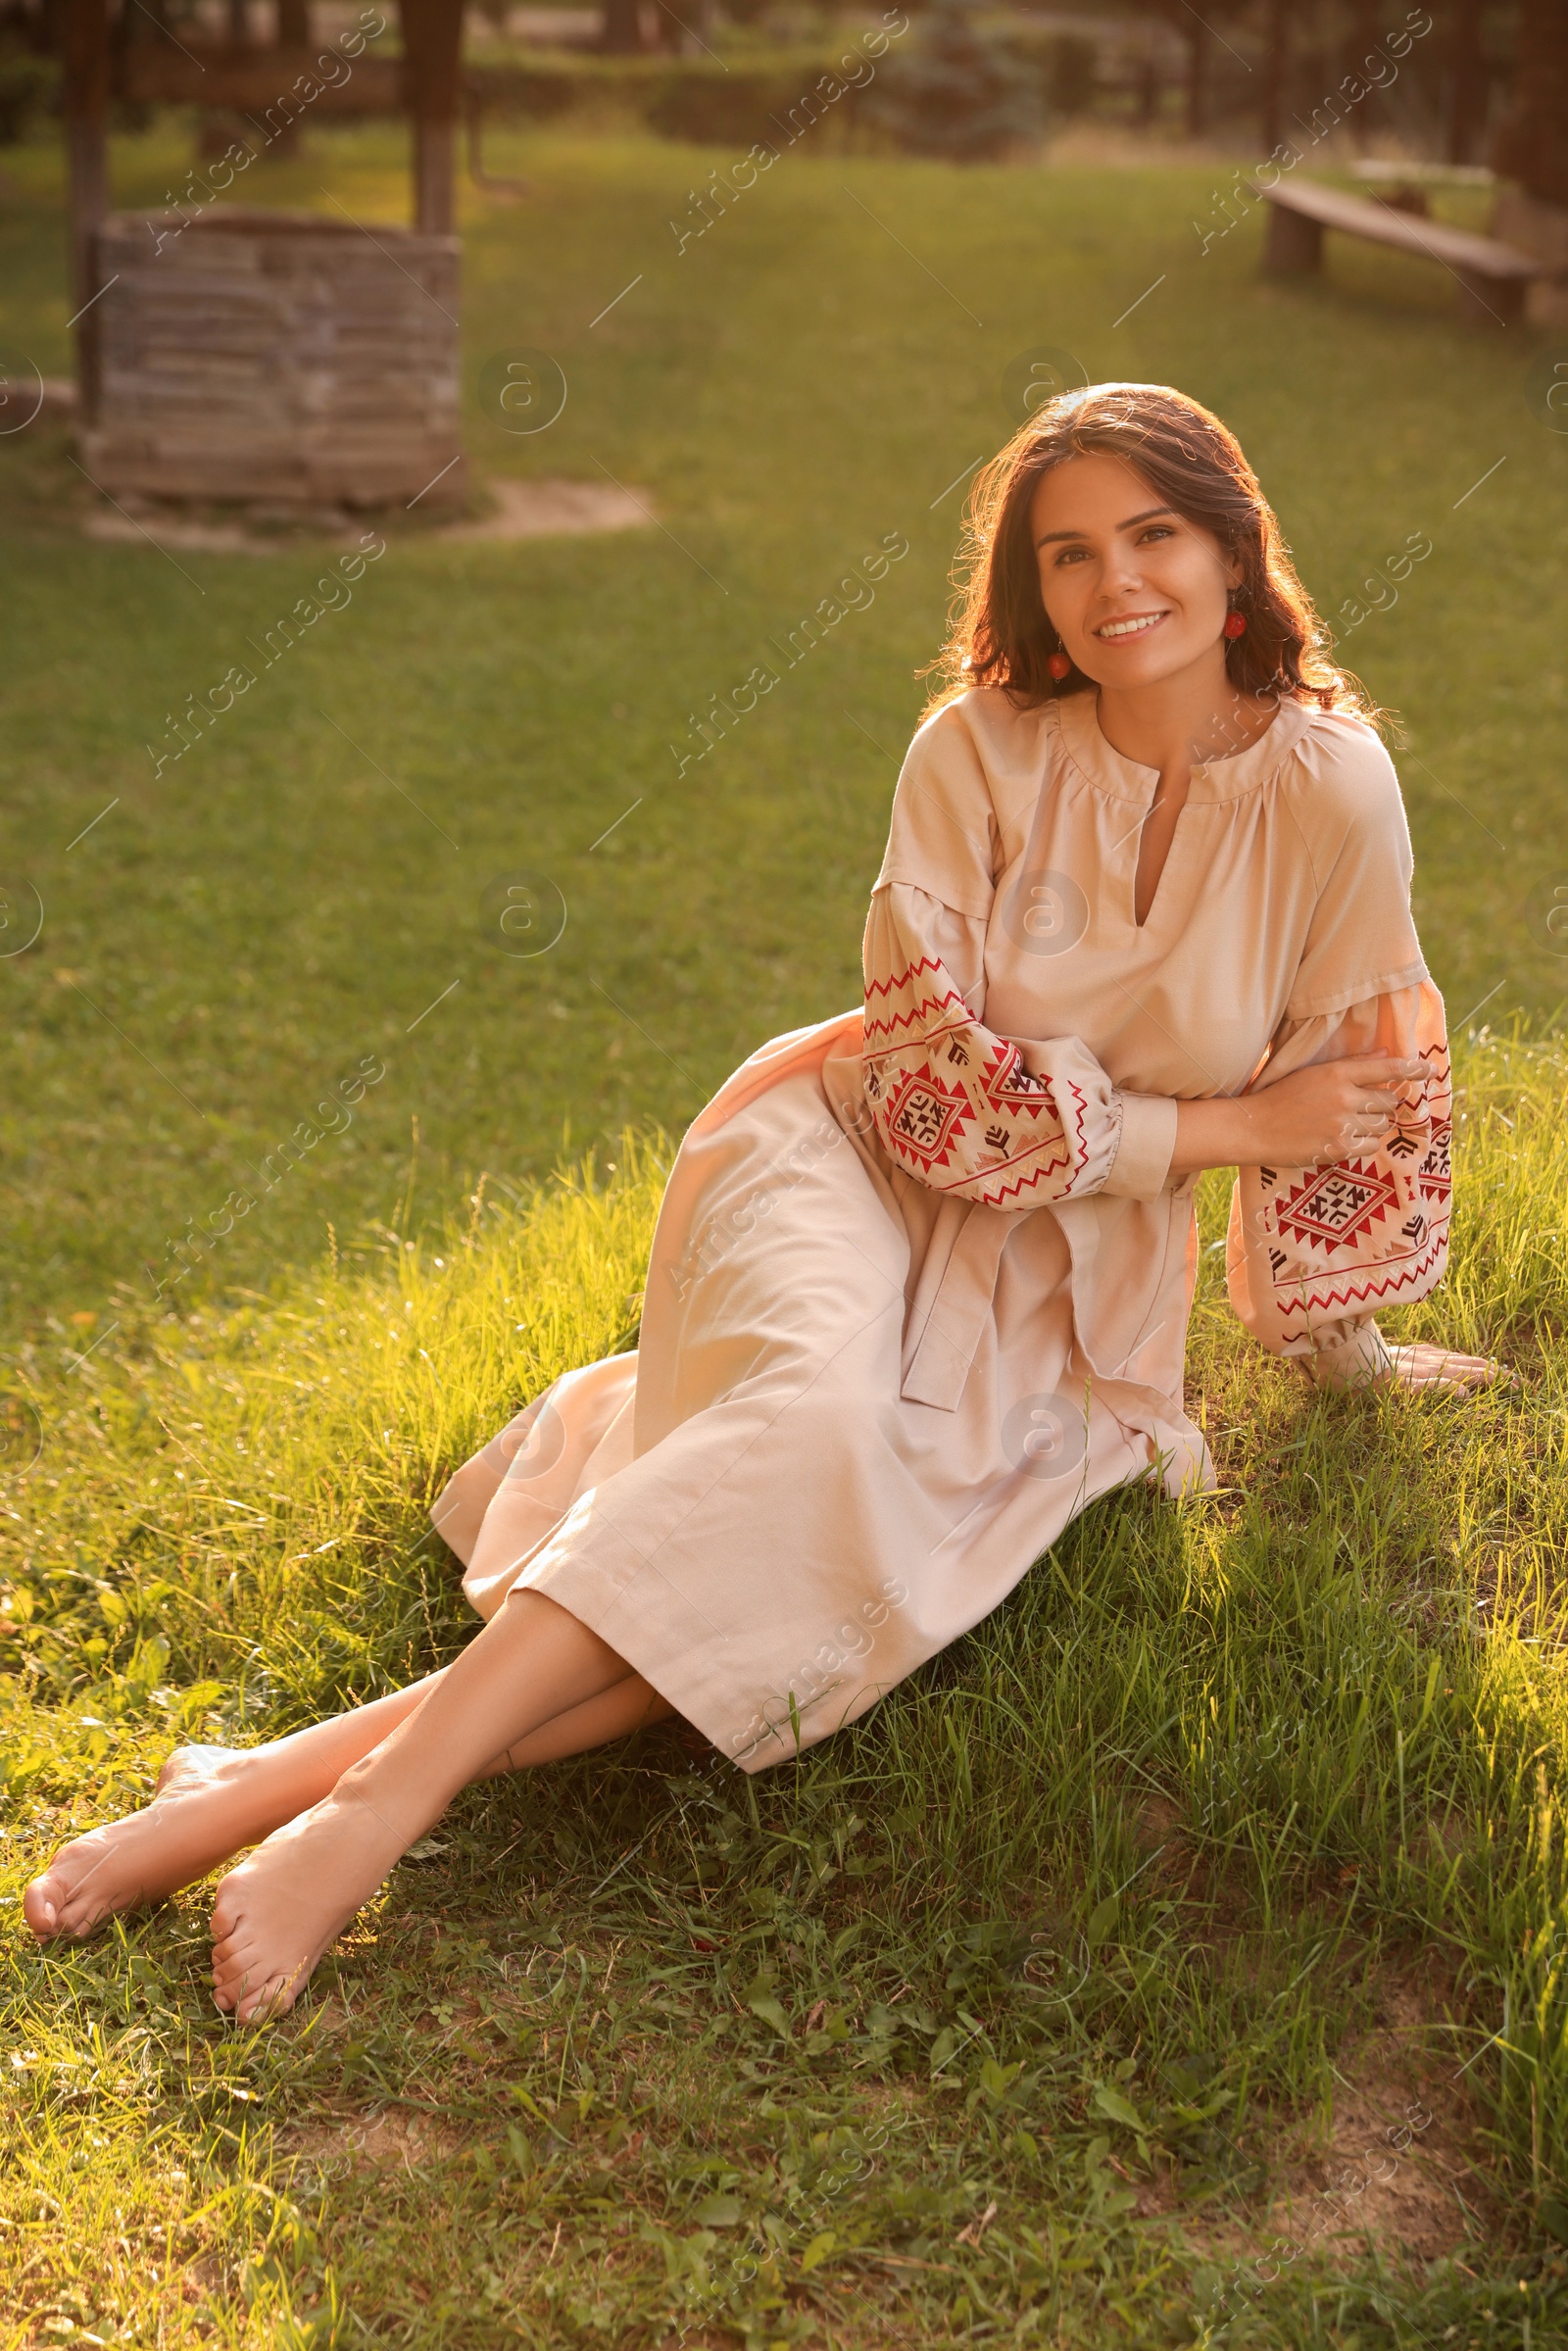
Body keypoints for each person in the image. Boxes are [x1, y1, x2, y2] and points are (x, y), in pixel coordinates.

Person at [24, 383, 1495, 2020]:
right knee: (804, 1435)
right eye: (1067, 550)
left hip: (1057, 1292)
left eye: (1153, 533)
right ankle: (372, 1813)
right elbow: (939, 1097)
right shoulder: (974, 748)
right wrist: (1223, 1123)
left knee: (784, 1554)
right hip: (840, 1156)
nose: (1112, 583)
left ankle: (249, 1787)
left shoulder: (1335, 793)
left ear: (1234, 549)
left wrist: (1342, 1339)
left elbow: (1364, 1079)